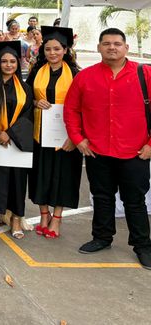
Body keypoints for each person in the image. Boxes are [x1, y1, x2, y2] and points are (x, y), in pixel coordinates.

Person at [64, 28, 151, 268]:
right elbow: (71, 109)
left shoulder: (145, 74)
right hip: (97, 151)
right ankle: (102, 237)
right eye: (106, 43)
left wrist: (150, 145)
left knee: (135, 201)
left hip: (135, 153)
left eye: (116, 43)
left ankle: (143, 245)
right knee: (102, 197)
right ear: (98, 48)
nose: (111, 47)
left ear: (126, 47)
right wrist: (78, 138)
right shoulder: (85, 77)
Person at [27, 26, 81, 239]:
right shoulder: (36, 72)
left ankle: (56, 218)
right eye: (48, 49)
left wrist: (75, 137)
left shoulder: (76, 74)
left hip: (66, 137)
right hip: (40, 134)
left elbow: (84, 106)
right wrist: (34, 101)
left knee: (63, 177)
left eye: (57, 49)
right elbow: (24, 98)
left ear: (65, 50)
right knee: (41, 175)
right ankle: (43, 214)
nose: (52, 53)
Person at [0, 41, 34, 238]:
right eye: (4, 61)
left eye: (12, 61)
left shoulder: (25, 88)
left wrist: (10, 133)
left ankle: (15, 219)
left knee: (17, 181)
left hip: (15, 142)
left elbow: (28, 115)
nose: (8, 65)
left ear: (18, 62)